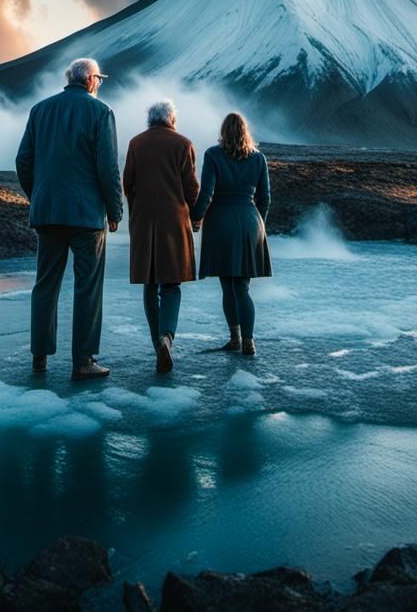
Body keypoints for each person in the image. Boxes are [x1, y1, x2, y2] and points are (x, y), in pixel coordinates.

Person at [15, 57, 123, 381]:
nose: (99, 84)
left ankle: (39, 357)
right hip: (87, 216)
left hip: (47, 213)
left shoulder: (40, 110)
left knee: (45, 283)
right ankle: (83, 360)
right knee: (87, 286)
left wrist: (38, 196)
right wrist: (115, 211)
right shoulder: (100, 112)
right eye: (99, 79)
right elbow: (107, 168)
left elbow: (23, 160)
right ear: (90, 80)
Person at [123, 99, 200, 374]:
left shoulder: (136, 143)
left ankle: (157, 344)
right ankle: (167, 337)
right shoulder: (183, 144)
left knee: (149, 283)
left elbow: (127, 184)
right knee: (171, 284)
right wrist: (196, 216)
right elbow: (191, 188)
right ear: (171, 119)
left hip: (143, 221)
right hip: (174, 222)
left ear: (150, 119)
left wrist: (136, 208)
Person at [191, 112, 271, 356]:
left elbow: (207, 194)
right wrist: (259, 224)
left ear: (224, 131)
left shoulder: (213, 155)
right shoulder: (258, 158)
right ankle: (248, 341)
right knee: (242, 288)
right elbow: (265, 197)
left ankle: (235, 338)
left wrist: (194, 218)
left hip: (221, 223)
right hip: (250, 221)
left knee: (228, 285)